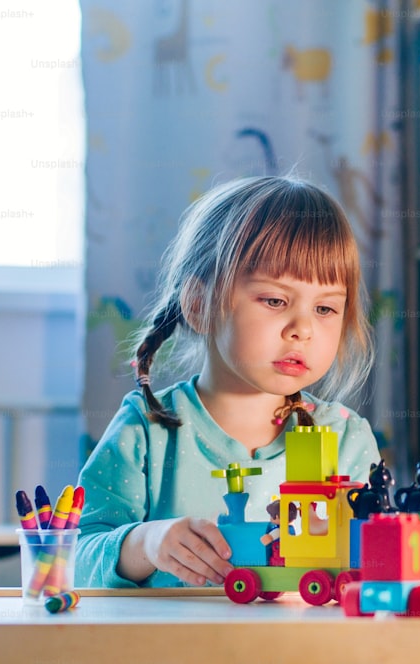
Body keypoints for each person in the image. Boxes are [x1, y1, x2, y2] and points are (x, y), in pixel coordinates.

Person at [75, 175, 380, 588]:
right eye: (275, 300)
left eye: (325, 308)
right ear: (200, 305)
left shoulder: (346, 437)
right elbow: (73, 558)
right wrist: (145, 543)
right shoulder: (145, 430)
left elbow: (376, 559)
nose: (303, 329)